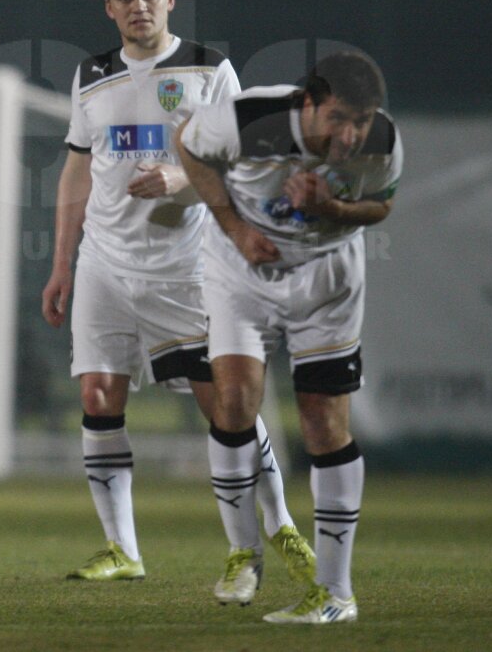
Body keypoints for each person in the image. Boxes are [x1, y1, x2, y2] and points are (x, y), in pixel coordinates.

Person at [42, 0, 312, 596]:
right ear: (109, 8)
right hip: (106, 263)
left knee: (225, 406)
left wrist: (179, 176)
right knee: (98, 395)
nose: (139, 6)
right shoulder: (92, 75)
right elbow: (78, 168)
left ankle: (272, 525)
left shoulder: (207, 69)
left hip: (188, 268)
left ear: (170, 0)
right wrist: (61, 264)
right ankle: (122, 547)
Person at [177, 49, 402, 624]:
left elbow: (382, 204)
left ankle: (334, 593)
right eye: (340, 118)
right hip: (241, 272)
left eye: (362, 119)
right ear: (309, 103)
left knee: (324, 423)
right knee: (233, 401)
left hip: (326, 279)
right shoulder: (251, 118)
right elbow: (189, 145)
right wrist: (235, 229)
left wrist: (335, 206)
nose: (351, 135)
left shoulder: (383, 139)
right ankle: (244, 553)